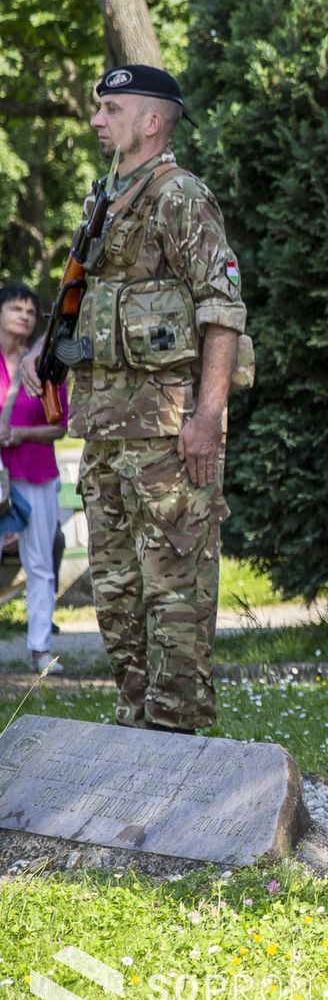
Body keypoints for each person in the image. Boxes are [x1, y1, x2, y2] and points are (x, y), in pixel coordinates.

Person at [68, 64, 247, 734]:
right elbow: (85, 304)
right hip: (105, 434)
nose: (97, 120)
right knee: (117, 598)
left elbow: (222, 312)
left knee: (174, 598)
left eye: (110, 109)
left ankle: (177, 742)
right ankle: (135, 735)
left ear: (150, 121)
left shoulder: (181, 197)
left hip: (167, 437)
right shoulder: (103, 200)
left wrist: (208, 418)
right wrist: (40, 358)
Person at [1, 282, 67, 673]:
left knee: (40, 562)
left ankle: (41, 650)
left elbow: (60, 426)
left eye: (30, 311)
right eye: (16, 308)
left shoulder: (43, 365)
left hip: (36, 474)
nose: (24, 315)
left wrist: (20, 434)